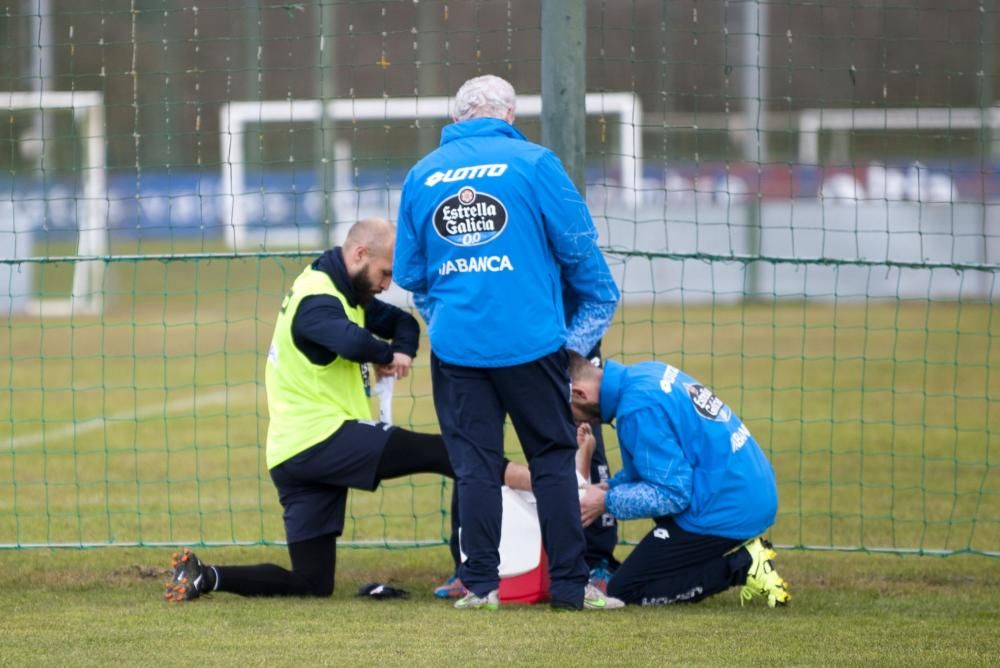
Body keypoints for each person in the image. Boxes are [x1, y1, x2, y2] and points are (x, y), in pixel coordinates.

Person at [164, 218, 528, 601]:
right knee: (445, 452)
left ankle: (206, 577)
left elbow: (403, 322)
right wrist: (387, 354)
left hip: (294, 455)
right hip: (321, 439)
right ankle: (527, 483)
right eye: (385, 273)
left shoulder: (343, 291)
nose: (387, 285)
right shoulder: (317, 300)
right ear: (359, 254)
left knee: (312, 584)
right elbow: (351, 343)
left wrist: (402, 350)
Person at [393, 74, 622, 611]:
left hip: (457, 349)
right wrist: (572, 347)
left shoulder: (421, 174)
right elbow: (582, 251)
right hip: (532, 344)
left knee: (474, 464)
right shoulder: (536, 163)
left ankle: (479, 586)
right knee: (551, 456)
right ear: (510, 118)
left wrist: (452, 313)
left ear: (456, 120)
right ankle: (571, 587)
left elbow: (411, 275)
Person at [568, 351, 792, 607]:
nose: (576, 420)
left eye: (571, 412)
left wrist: (606, 501)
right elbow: (651, 470)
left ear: (579, 394)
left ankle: (744, 564)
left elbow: (673, 494)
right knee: (641, 571)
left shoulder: (637, 408)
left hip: (728, 506)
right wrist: (608, 487)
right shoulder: (641, 375)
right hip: (745, 489)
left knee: (622, 590)